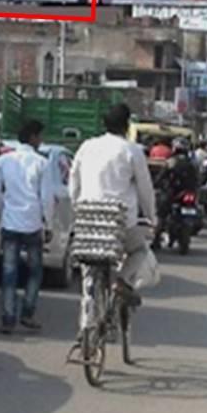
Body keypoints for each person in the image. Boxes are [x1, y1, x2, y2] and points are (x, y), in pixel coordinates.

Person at [70, 104, 157, 306]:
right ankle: (122, 280)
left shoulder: (87, 146)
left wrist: (77, 208)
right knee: (140, 250)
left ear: (104, 124)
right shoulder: (131, 150)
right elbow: (145, 189)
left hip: (88, 220)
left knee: (88, 269)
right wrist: (152, 218)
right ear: (127, 126)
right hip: (120, 223)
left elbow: (74, 181)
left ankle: (86, 323)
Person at [0, 120, 51, 335]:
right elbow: (46, 198)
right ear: (33, 137)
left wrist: (1, 213)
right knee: (34, 271)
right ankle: (27, 313)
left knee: (9, 272)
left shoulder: (4, 161)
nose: (41, 140)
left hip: (10, 223)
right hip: (33, 223)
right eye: (40, 136)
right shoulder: (42, 163)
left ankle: (8, 318)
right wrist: (48, 223)